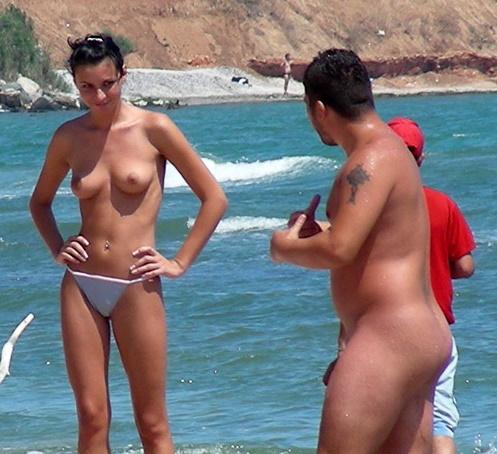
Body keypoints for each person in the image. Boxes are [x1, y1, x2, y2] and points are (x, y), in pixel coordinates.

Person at [29, 33, 228, 453]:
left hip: (136, 283)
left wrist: (178, 263)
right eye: (87, 87)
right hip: (81, 285)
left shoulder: (155, 129)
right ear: (74, 84)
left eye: (108, 84)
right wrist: (57, 246)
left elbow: (214, 198)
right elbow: (39, 203)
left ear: (123, 75)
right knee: (91, 417)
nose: (99, 96)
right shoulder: (68, 137)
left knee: (151, 423)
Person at [270, 48, 452, 453]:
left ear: (319, 109)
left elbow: (340, 248)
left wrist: (283, 247)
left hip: (389, 335)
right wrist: (315, 235)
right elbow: (375, 240)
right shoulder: (392, 151)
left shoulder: (368, 160)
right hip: (420, 333)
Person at [388, 117, 476, 454]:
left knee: (390, 424)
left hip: (388, 330)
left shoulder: (374, 210)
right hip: (436, 329)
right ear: (421, 159)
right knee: (439, 421)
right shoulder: (442, 204)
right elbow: (465, 266)